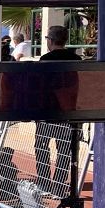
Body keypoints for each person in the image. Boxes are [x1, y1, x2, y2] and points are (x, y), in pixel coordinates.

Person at [34, 26, 82, 195]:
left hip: (48, 109)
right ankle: (60, 183)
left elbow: (40, 85)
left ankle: (45, 182)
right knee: (64, 150)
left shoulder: (45, 59)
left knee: (41, 146)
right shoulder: (77, 59)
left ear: (50, 40)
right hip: (69, 110)